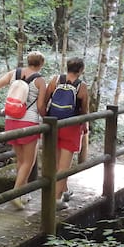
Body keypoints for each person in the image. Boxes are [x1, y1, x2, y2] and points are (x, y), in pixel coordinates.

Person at [0, 51, 47, 210]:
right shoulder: (40, 81)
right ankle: (15, 194)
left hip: (11, 120)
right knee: (29, 161)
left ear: (28, 61)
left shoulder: (14, 73)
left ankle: (23, 194)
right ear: (41, 64)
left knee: (21, 160)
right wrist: (47, 118)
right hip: (29, 122)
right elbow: (40, 106)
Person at [45, 57, 89, 210]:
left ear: (67, 67)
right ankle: (56, 200)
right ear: (81, 70)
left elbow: (45, 100)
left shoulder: (55, 80)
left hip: (53, 124)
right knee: (64, 166)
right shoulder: (82, 86)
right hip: (71, 126)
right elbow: (84, 110)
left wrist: (44, 119)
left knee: (57, 163)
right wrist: (85, 126)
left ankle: (63, 190)